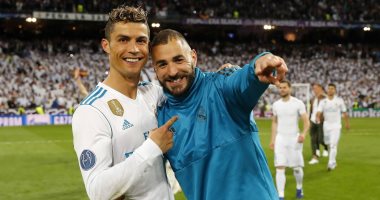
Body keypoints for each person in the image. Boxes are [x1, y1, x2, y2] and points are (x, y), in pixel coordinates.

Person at [151, 29, 288, 200]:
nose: (172, 72)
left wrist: (260, 64)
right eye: (162, 64)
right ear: (154, 68)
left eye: (179, 60)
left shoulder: (221, 87)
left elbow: (242, 81)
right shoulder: (160, 118)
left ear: (193, 57)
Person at [72, 6, 177, 200]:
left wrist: (225, 75)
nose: (134, 49)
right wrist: (152, 147)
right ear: (106, 45)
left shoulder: (154, 92)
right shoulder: (92, 111)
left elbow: (192, 92)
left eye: (141, 40)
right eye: (123, 40)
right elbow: (98, 191)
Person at [270, 80, 310, 200]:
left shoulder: (298, 103)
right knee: (280, 167)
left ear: (290, 89)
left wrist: (303, 134)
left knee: (297, 168)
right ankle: (280, 196)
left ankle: (299, 187)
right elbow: (274, 122)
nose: (282, 89)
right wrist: (273, 139)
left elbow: (306, 121)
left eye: (284, 87)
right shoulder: (276, 104)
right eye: (280, 88)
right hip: (280, 139)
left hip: (294, 139)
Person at [316, 83, 350, 171]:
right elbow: (319, 111)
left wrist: (347, 123)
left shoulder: (339, 100)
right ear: (327, 90)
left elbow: (344, 112)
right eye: (329, 88)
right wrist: (318, 117)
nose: (330, 90)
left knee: (333, 145)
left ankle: (331, 163)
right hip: (326, 126)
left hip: (336, 126)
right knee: (328, 143)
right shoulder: (323, 101)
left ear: (335, 90)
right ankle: (333, 161)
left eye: (332, 89)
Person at [308, 83, 328, 165]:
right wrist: (309, 120)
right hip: (313, 121)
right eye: (313, 89)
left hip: (321, 121)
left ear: (320, 88)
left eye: (316, 88)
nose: (314, 90)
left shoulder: (325, 98)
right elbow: (311, 110)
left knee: (320, 139)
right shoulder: (312, 99)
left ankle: (327, 147)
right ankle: (315, 156)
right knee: (313, 139)